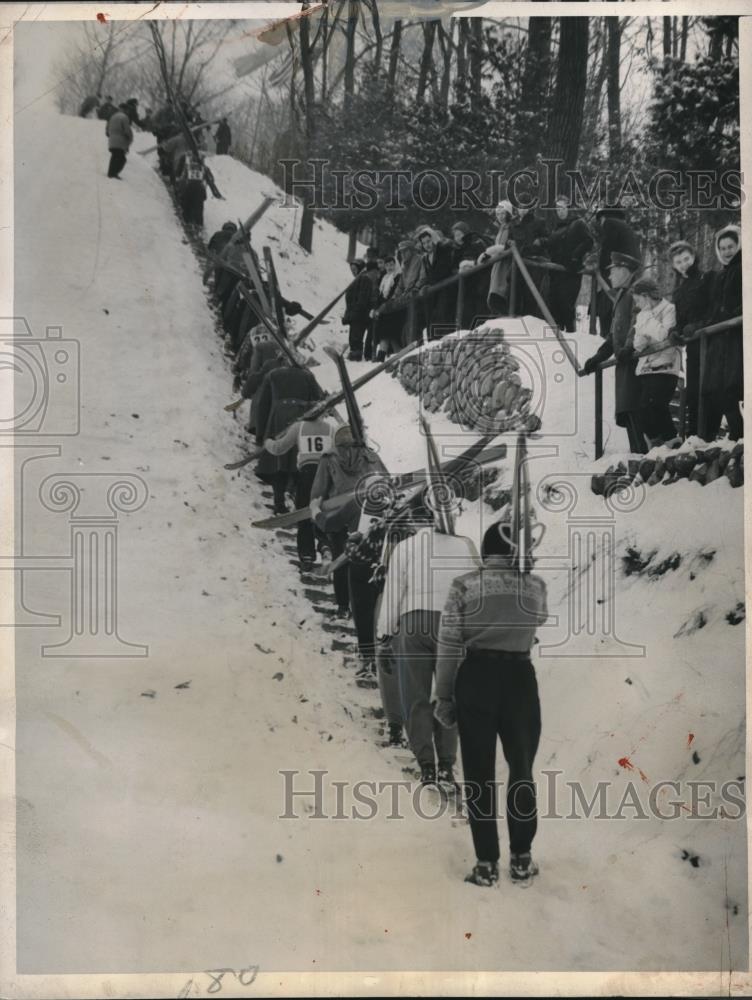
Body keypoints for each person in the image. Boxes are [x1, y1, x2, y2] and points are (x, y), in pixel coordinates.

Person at [434, 521, 548, 887]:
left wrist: (445, 696)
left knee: (479, 772)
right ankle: (521, 856)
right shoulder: (536, 585)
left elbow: (449, 643)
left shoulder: (464, 585)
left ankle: (486, 863)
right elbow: (539, 618)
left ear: (485, 553)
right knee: (522, 767)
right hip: (520, 680)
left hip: (477, 678)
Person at [377, 506, 480, 787]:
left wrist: (385, 635)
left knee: (416, 696)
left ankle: (426, 766)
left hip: (413, 622)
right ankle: (447, 764)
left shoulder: (406, 547)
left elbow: (393, 594)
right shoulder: (465, 547)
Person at [309, 426, 388, 623]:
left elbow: (319, 490)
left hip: (339, 516)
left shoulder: (329, 458)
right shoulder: (372, 457)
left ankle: (343, 607)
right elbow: (387, 482)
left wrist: (316, 508)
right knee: (366, 564)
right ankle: (368, 610)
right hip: (369, 516)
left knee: (340, 562)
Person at [581, 252, 646, 454]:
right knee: (627, 413)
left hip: (636, 363)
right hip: (624, 364)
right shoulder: (621, 296)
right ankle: (638, 457)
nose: (610, 276)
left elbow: (638, 324)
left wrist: (628, 348)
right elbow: (612, 335)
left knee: (635, 412)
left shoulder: (636, 293)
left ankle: (643, 457)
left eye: (614, 271)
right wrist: (598, 357)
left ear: (625, 272)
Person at [691, 224, 743, 442]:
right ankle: (720, 439)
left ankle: (741, 437)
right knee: (714, 389)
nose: (726, 251)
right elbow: (712, 307)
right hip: (719, 340)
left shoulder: (743, 268)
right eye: (722, 248)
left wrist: (730, 313)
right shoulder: (720, 275)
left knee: (731, 388)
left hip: (736, 339)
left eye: (730, 246)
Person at [254, 357, 325, 514]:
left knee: (277, 461)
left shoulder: (273, 374)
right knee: (297, 460)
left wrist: (260, 436)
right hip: (301, 416)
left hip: (277, 418)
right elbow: (319, 400)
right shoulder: (307, 376)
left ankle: (279, 501)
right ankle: (295, 497)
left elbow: (262, 406)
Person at [264, 415, 335, 572]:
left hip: (307, 473)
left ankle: (307, 556)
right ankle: (325, 545)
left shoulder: (299, 427)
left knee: (304, 513)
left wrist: (267, 442)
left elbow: (279, 448)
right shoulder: (331, 429)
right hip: (326, 474)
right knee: (324, 512)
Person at [631, 277, 682, 448]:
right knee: (644, 411)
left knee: (655, 406)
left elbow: (663, 335)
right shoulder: (642, 314)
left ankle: (672, 442)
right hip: (647, 369)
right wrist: (645, 323)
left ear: (646, 296)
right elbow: (638, 345)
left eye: (638, 300)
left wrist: (647, 321)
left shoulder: (669, 309)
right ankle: (660, 445)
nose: (637, 304)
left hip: (665, 367)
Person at [666, 240, 709, 438]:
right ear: (674, 266)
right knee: (693, 391)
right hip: (692, 346)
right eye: (679, 262)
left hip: (710, 341)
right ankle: (693, 437)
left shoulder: (706, 278)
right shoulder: (679, 291)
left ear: (694, 257)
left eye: (686, 259)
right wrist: (676, 331)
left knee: (709, 387)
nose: (684, 264)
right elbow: (681, 321)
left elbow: (714, 309)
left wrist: (699, 325)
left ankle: (709, 434)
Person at [590, 205, 642, 337]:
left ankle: (607, 336)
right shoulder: (626, 228)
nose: (601, 224)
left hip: (619, 269)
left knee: (608, 305)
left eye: (600, 220)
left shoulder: (610, 223)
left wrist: (599, 268)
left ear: (603, 217)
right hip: (631, 271)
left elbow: (608, 249)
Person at [547, 196, 594, 332]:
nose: (560, 211)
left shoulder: (578, 223)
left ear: (569, 208)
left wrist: (575, 256)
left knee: (566, 306)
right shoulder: (556, 229)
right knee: (554, 307)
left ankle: (571, 337)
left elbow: (589, 241)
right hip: (556, 273)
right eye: (557, 209)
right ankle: (557, 339)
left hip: (570, 273)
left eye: (562, 208)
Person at [481, 200, 514, 314]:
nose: (500, 216)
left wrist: (492, 251)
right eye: (498, 214)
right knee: (494, 292)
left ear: (508, 213)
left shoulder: (511, 227)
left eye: (503, 213)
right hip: (498, 264)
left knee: (502, 291)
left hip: (506, 263)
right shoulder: (501, 228)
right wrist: (489, 254)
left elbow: (505, 246)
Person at [343, 258, 376, 361]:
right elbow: (350, 301)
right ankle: (354, 354)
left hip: (360, 315)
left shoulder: (364, 279)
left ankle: (356, 355)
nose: (353, 271)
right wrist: (348, 315)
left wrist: (354, 313)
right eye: (351, 269)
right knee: (353, 337)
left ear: (360, 268)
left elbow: (362, 299)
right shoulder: (356, 280)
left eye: (354, 269)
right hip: (354, 315)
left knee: (356, 336)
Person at [373, 255, 401, 361]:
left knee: (389, 334)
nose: (390, 267)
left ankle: (382, 356)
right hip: (384, 310)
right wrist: (377, 307)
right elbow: (380, 295)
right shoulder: (384, 278)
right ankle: (396, 355)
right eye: (387, 265)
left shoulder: (397, 276)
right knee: (387, 335)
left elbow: (394, 293)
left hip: (393, 309)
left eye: (392, 265)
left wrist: (385, 305)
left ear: (395, 265)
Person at [105, 102, 133, 180]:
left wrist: (111, 135)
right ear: (125, 110)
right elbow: (127, 130)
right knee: (121, 159)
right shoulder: (124, 117)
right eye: (127, 110)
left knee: (114, 156)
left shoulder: (112, 116)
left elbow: (107, 130)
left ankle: (111, 173)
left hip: (112, 140)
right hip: (120, 141)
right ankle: (114, 174)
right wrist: (130, 138)